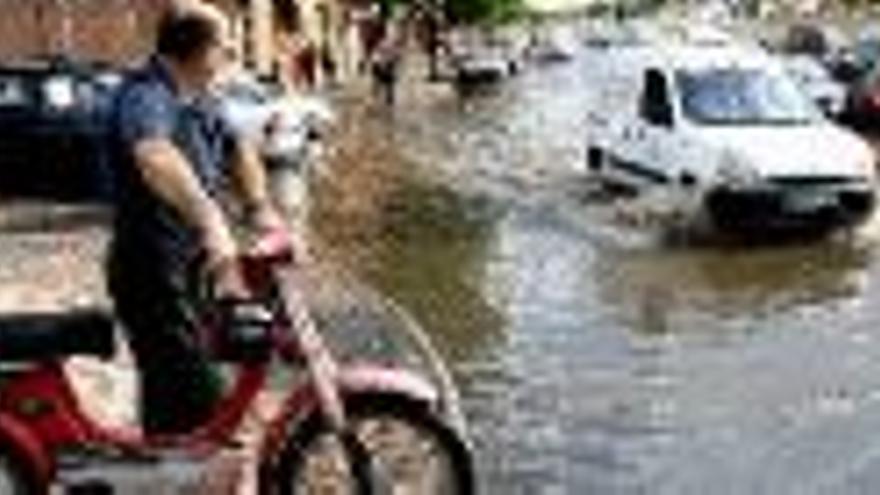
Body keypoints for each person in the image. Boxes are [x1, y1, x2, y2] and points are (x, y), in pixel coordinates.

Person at [105, 2, 285, 435]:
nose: (232, 53)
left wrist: (260, 208)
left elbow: (238, 147)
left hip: (189, 268)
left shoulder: (201, 97)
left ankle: (160, 471)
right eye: (225, 45)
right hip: (150, 272)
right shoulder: (146, 94)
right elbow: (154, 155)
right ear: (196, 49)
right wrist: (211, 219)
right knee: (201, 397)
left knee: (172, 390)